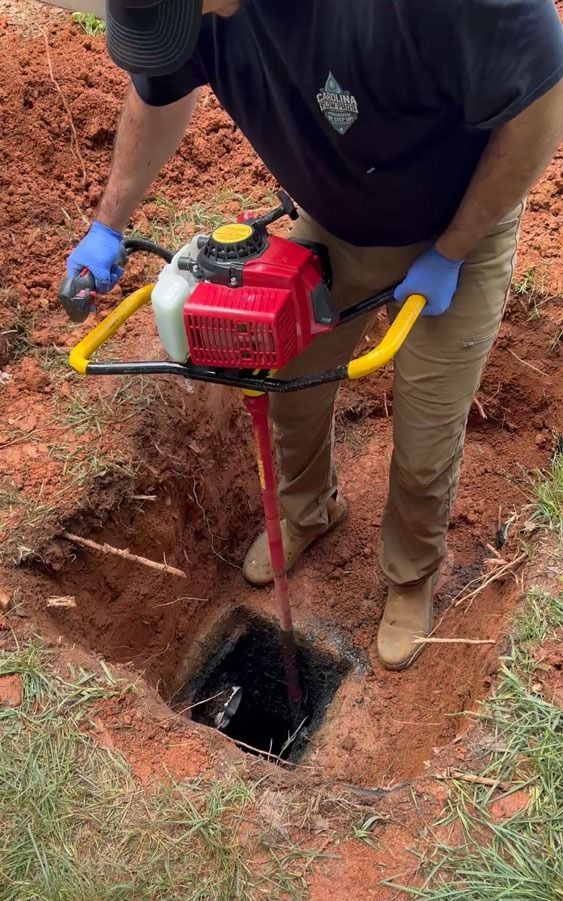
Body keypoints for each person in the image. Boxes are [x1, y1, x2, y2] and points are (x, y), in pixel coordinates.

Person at [65, 0, 563, 670]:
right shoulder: (185, 13)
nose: (187, 35)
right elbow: (159, 93)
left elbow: (537, 111)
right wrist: (108, 223)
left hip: (455, 234)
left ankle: (411, 577)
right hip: (328, 219)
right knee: (289, 392)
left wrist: (451, 251)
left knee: (425, 433)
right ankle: (307, 512)